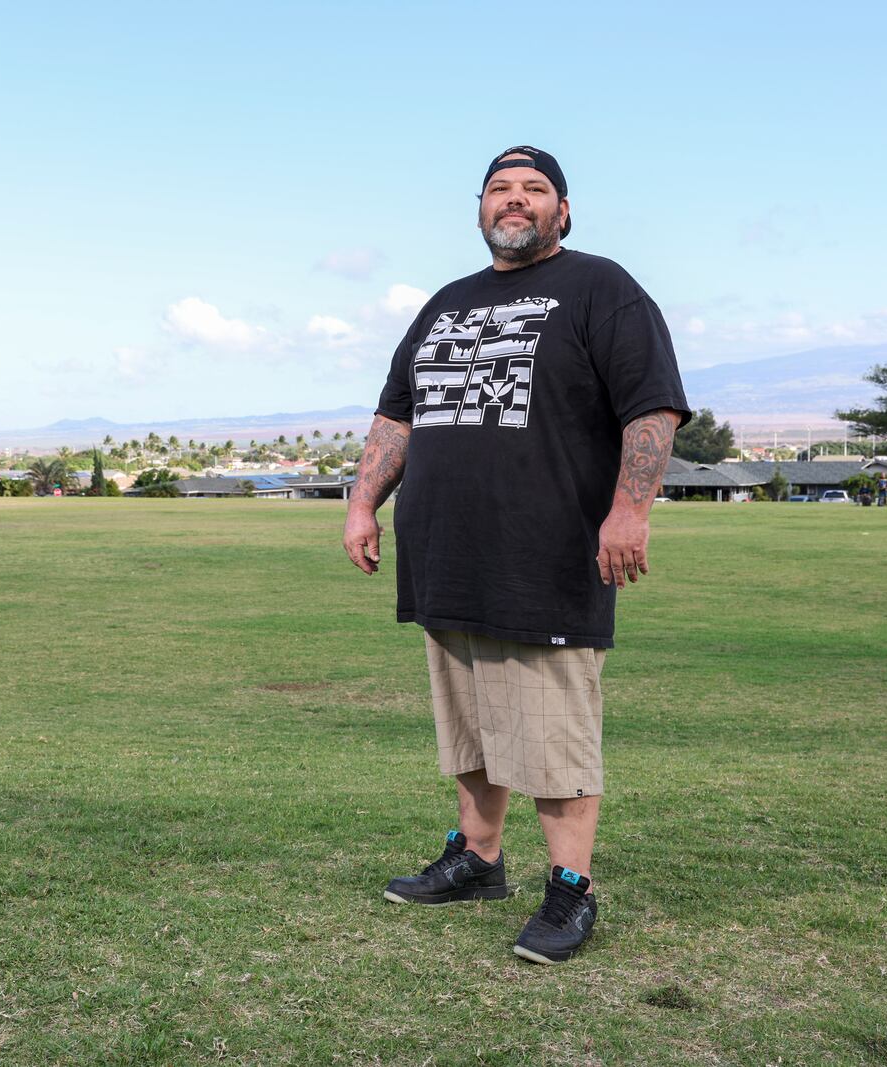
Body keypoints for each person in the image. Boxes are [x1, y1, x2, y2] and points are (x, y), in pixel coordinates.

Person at [343, 146, 690, 965]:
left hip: (549, 554)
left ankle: (571, 891)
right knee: (469, 727)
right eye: (500, 188)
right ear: (480, 209)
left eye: (535, 190)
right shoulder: (446, 303)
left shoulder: (603, 287)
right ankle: (478, 858)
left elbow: (653, 406)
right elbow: (398, 416)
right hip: (446, 553)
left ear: (562, 211)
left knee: (553, 732)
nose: (516, 200)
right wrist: (362, 500)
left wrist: (629, 510)